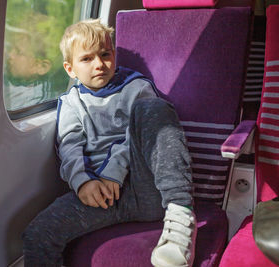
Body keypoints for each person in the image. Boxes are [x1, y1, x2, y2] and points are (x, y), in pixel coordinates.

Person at [22, 19, 197, 267]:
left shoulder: (137, 88)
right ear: (70, 69)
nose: (99, 65)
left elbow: (140, 138)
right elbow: (69, 146)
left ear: (114, 56)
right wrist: (83, 183)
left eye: (105, 54)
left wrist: (112, 173)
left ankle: (181, 213)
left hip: (147, 188)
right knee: (37, 235)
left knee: (154, 108)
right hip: (100, 196)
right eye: (86, 59)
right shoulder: (71, 103)